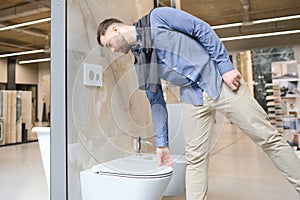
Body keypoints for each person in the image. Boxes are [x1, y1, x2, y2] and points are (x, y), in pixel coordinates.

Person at [97, 6, 300, 200]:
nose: (112, 50)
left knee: (269, 138)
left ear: (116, 29)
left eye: (109, 44)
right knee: (195, 160)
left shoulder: (159, 17)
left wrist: (225, 67)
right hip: (191, 98)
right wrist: (162, 143)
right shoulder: (140, 62)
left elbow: (201, 29)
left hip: (219, 83)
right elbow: (156, 100)